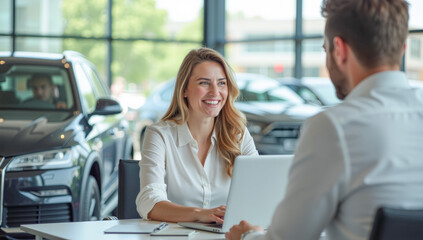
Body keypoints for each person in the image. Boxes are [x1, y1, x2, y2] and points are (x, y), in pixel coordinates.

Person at [226, 0, 423, 240]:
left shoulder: (335, 127)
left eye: (325, 49)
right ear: (402, 49)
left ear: (339, 50)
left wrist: (247, 236)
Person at [135, 47, 258, 223]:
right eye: (204, 83)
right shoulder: (159, 135)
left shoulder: (238, 134)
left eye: (221, 83)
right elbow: (149, 202)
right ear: (184, 89)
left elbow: (259, 190)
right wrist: (199, 213)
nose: (215, 92)